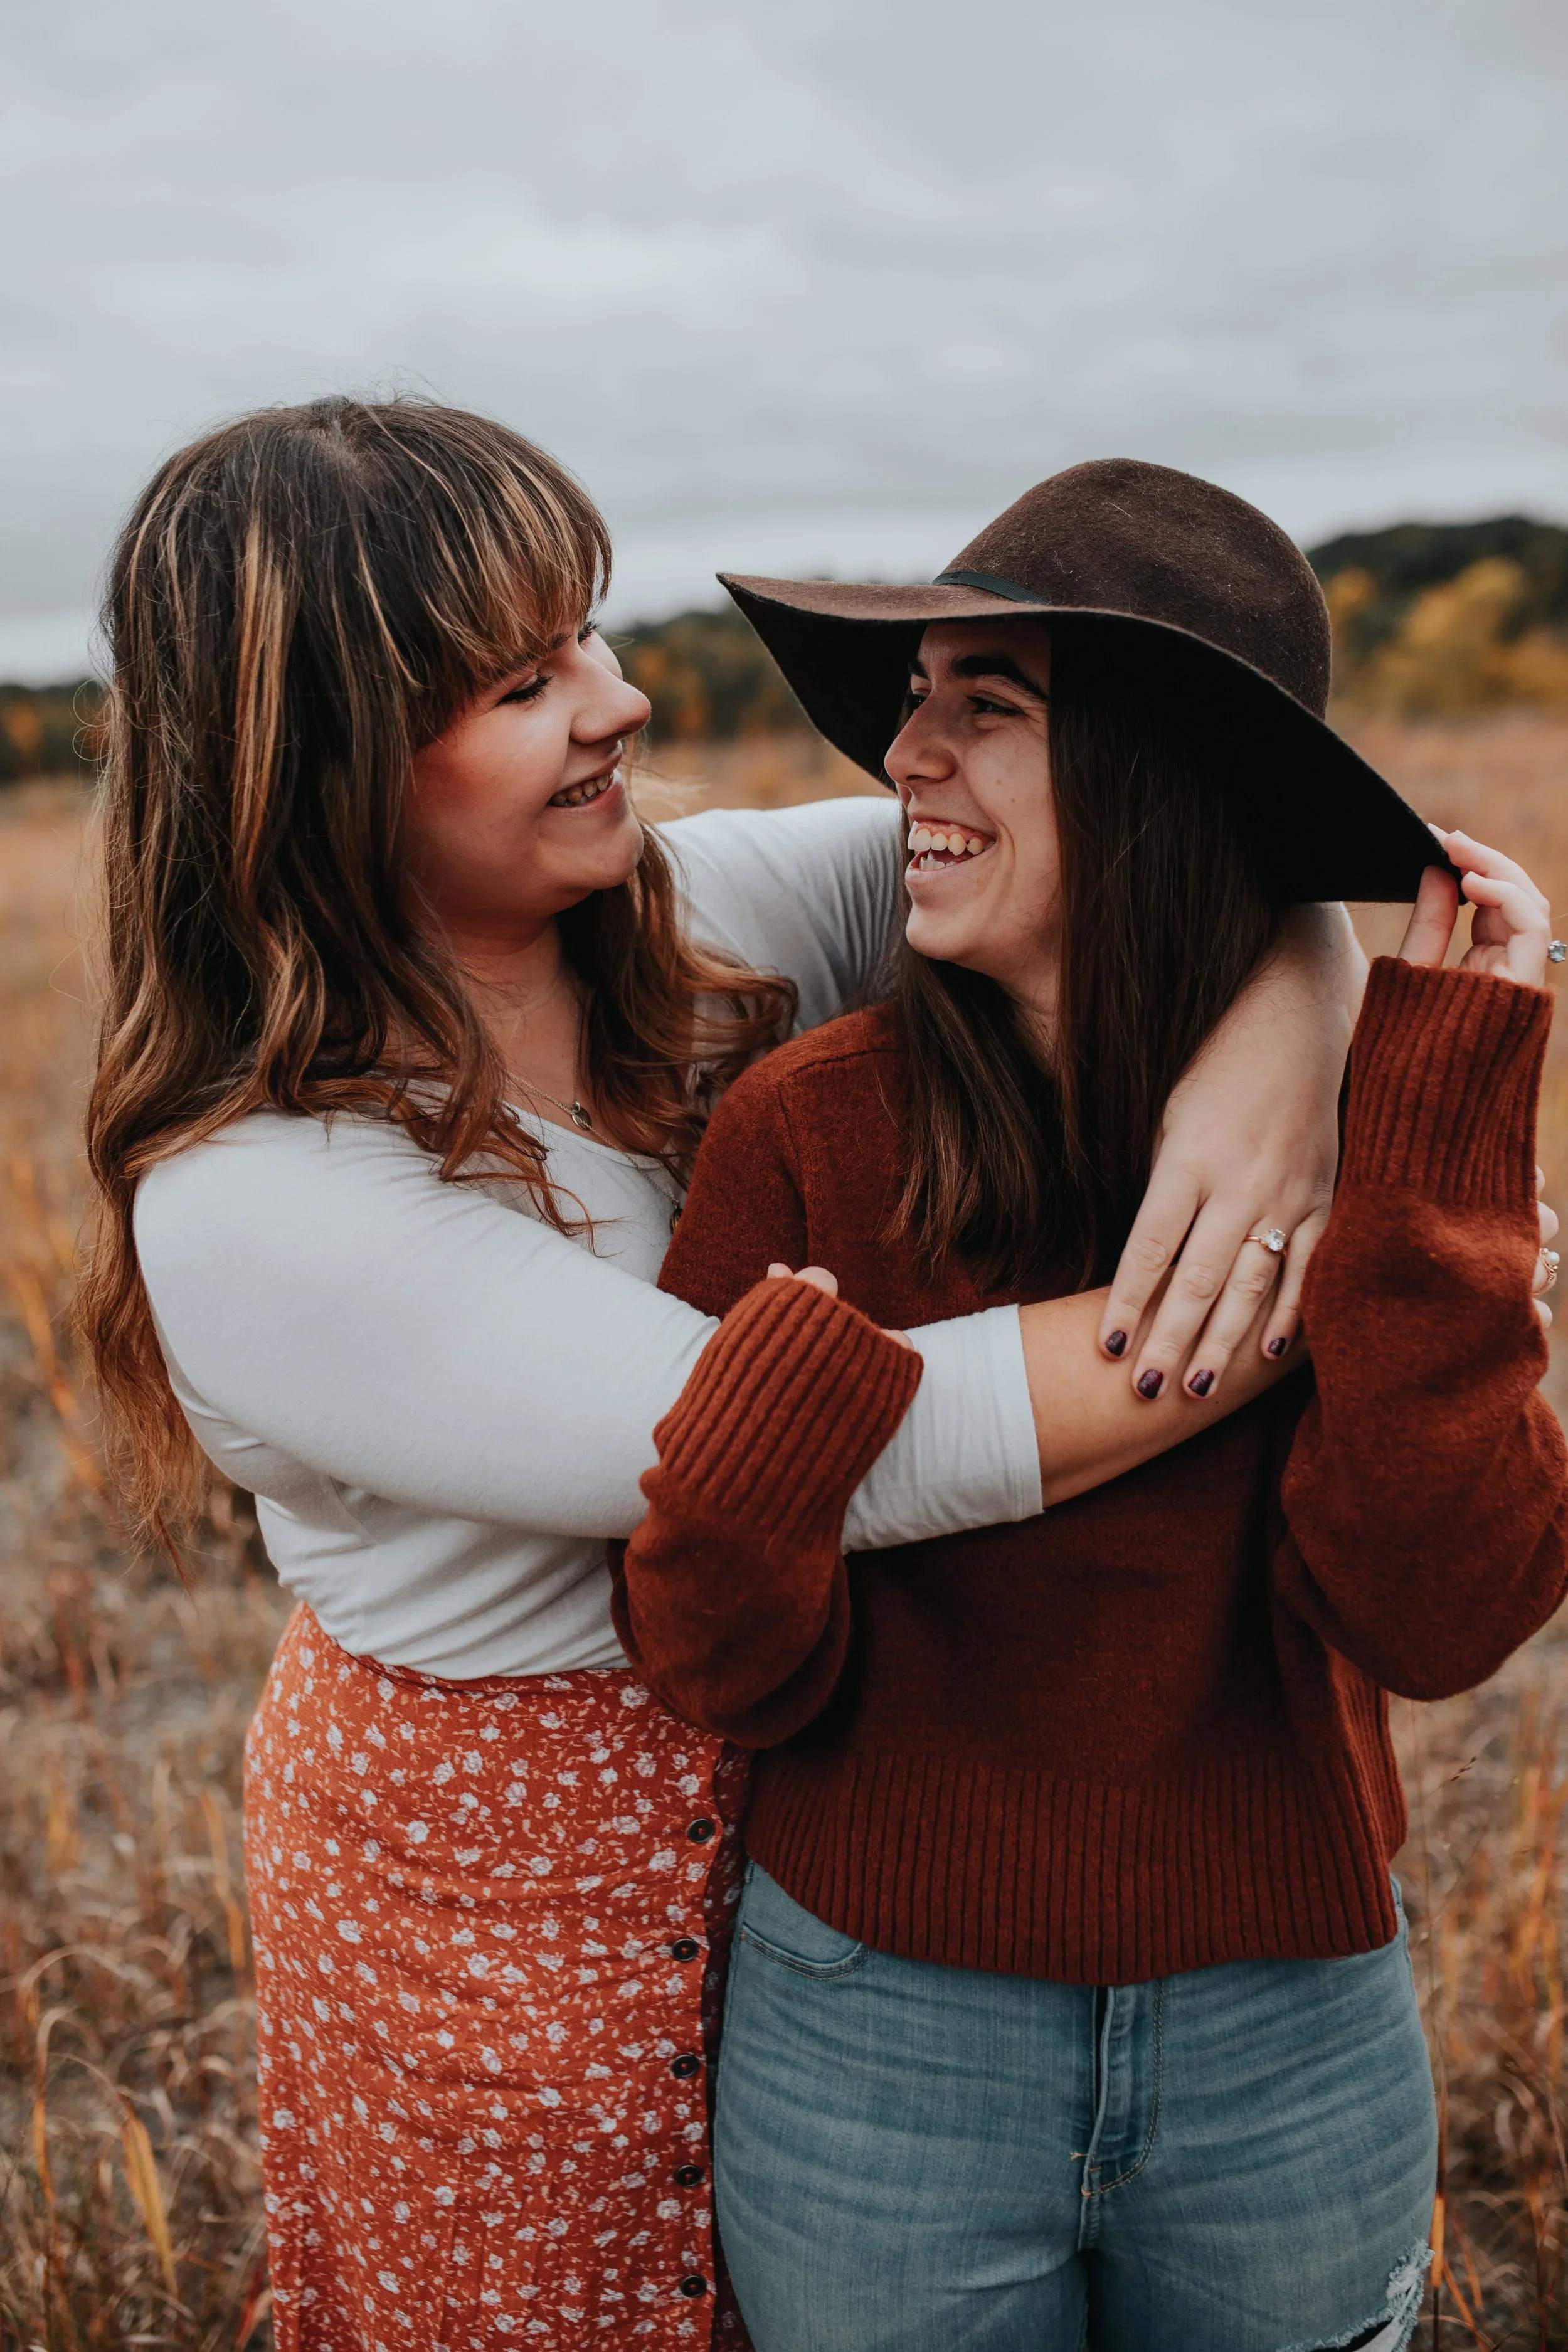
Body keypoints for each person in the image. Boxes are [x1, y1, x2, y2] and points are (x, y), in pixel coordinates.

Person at [79, 408, 1358, 2351]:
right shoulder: (256, 1196)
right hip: (505, 1904)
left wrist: (1296, 1022)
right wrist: (1307, 1285)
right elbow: (827, 1459)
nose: (618, 699)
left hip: (829, 1817)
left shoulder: (695, 919)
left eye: (590, 633)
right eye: (522, 680)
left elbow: (1165, 834)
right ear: (323, 766)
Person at [612, 459, 1568, 2352]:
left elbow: (1438, 1610)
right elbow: (721, 1667)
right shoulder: (808, 1127)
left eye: (993, 704)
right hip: (878, 2025)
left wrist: (1436, 1143)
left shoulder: (1361, 1143)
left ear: (1154, 779)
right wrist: (756, 1464)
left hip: (1283, 2021)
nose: (908, 754)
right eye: (914, 696)